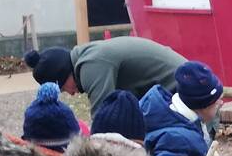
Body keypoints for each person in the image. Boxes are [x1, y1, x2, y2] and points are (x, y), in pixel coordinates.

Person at [140, 60, 223, 156]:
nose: (221, 103)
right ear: (203, 106)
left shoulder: (184, 121)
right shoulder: (175, 135)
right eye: (216, 103)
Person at [24, 35, 188, 110]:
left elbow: (104, 119)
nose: (70, 94)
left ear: (64, 74)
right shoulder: (88, 57)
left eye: (63, 88)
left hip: (180, 87)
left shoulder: (91, 65)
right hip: (175, 84)